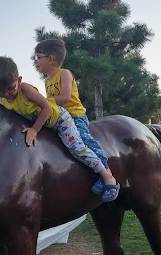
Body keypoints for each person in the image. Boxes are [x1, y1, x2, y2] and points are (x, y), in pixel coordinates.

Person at [0, 56, 119, 202]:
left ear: (18, 80)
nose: (7, 93)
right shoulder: (5, 101)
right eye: (1, 91)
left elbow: (47, 107)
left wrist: (34, 130)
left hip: (60, 120)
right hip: (45, 124)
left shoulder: (25, 90)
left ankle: (107, 176)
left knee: (77, 148)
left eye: (10, 88)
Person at [33, 38, 120, 201]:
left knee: (85, 143)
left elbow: (65, 97)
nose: (35, 61)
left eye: (38, 57)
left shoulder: (64, 73)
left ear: (51, 58)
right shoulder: (46, 81)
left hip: (74, 115)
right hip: (58, 117)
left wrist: (42, 101)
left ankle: (107, 176)